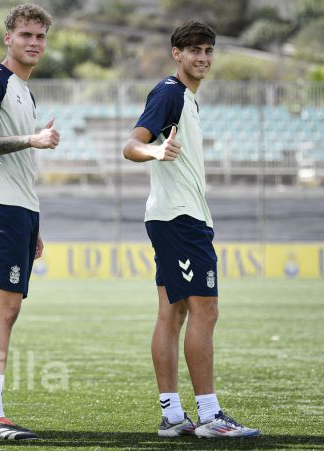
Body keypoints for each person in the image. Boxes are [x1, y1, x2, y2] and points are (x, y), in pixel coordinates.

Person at [122, 21, 259, 438]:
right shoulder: (170, 93)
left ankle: (172, 416)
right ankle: (211, 417)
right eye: (194, 50)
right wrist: (155, 149)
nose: (203, 57)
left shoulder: (188, 99)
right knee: (206, 311)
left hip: (174, 217)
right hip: (180, 219)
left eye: (208, 50)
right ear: (176, 54)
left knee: (173, 313)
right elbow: (130, 146)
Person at [0, 3, 59, 441]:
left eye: (40, 36)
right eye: (26, 35)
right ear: (9, 38)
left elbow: (23, 168)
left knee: (8, 310)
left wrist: (34, 223)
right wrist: (31, 140)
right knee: (4, 309)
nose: (34, 43)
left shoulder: (25, 90)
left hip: (20, 210)